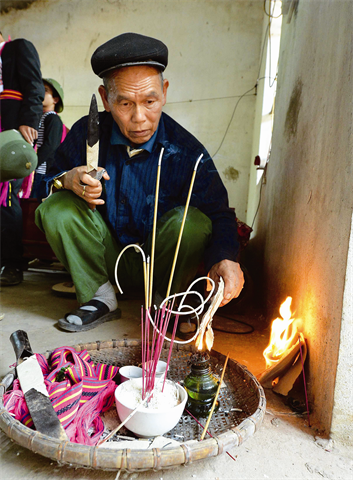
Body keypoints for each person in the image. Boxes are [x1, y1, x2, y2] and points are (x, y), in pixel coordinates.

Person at [35, 32, 244, 333]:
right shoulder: (87, 133)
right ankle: (99, 297)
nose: (139, 118)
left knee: (194, 222)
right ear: (105, 99)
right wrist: (66, 180)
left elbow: (220, 214)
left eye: (150, 101)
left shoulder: (186, 151)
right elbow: (43, 182)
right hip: (103, 258)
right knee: (56, 208)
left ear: (165, 93)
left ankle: (167, 302)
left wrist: (225, 258)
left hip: (160, 264)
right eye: (125, 104)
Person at [0, 31, 44, 286]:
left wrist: (29, 121)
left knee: (6, 196)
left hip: (11, 131)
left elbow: (34, 86)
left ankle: (13, 265)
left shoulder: (18, 48)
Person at [31, 78, 65, 200]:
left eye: (45, 90)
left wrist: (32, 164)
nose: (40, 92)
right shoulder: (40, 117)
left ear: (55, 99)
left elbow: (50, 146)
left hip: (41, 170)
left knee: (34, 201)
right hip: (35, 168)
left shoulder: (53, 119)